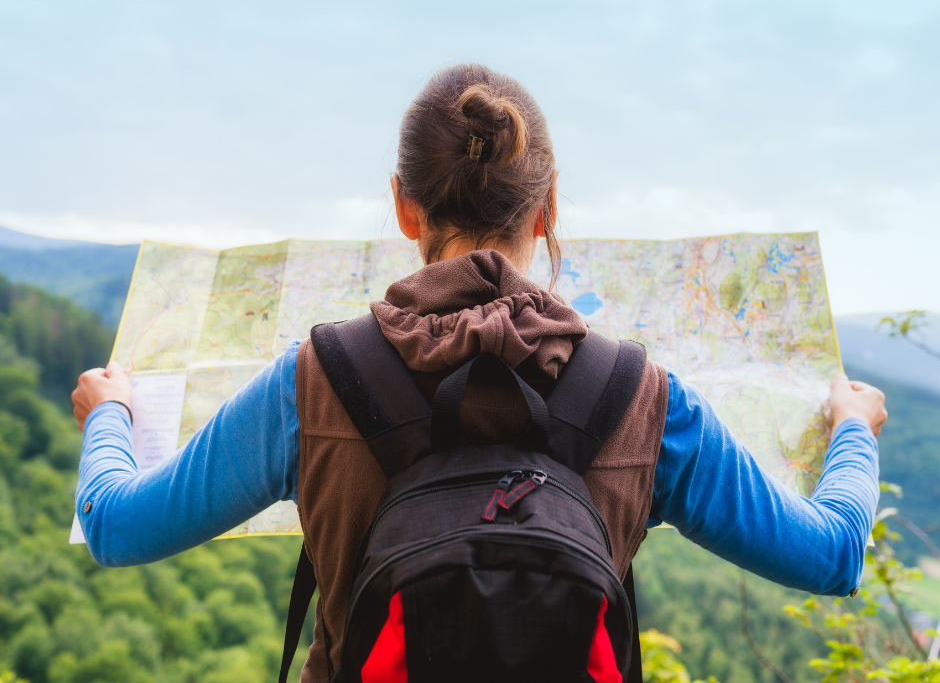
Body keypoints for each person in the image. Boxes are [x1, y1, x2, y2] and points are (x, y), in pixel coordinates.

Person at [72, 63, 887, 683]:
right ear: (549, 209)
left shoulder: (313, 383)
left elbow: (117, 525)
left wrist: (110, 412)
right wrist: (851, 428)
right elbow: (831, 555)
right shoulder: (645, 400)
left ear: (403, 206)